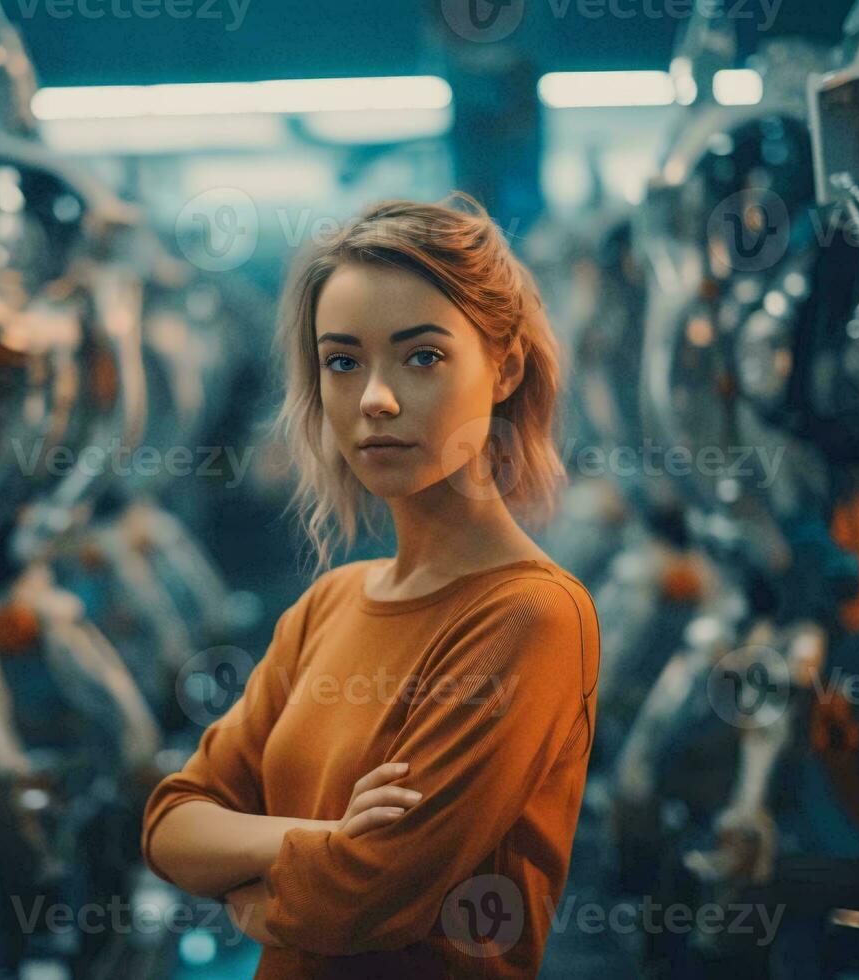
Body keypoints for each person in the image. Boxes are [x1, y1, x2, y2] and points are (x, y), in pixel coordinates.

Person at [139, 193, 600, 977]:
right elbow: (169, 823)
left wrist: (249, 889)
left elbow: (368, 897)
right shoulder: (328, 604)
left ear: (505, 368)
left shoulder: (529, 614)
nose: (375, 399)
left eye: (422, 357)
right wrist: (319, 843)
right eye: (343, 362)